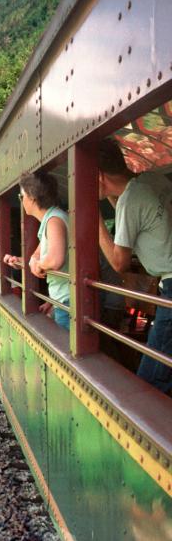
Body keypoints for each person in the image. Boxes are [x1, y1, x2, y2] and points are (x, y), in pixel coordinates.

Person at [97, 136, 172, 393]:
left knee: (151, 380)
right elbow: (128, 206)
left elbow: (119, 263)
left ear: (98, 176)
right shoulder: (150, 180)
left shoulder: (130, 201)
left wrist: (95, 222)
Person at [2, 171, 69, 330]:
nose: (21, 201)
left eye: (21, 197)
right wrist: (22, 261)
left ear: (31, 197)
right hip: (61, 298)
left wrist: (38, 264)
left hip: (68, 301)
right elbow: (39, 254)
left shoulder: (54, 221)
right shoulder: (51, 219)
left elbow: (54, 260)